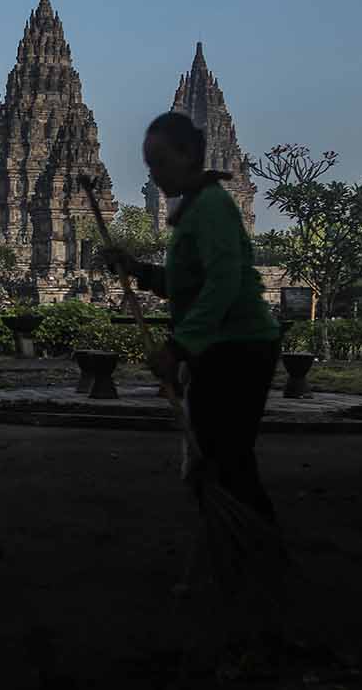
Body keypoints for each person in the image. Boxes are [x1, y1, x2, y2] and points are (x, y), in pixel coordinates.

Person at [102, 111, 282, 524]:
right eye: (150, 165)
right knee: (212, 460)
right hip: (219, 347)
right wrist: (136, 269)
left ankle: (255, 553)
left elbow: (223, 284)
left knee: (224, 461)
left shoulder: (213, 207)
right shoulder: (194, 209)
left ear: (189, 156)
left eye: (162, 162)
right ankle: (232, 553)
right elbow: (187, 285)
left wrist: (177, 347)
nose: (156, 174)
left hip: (239, 346)